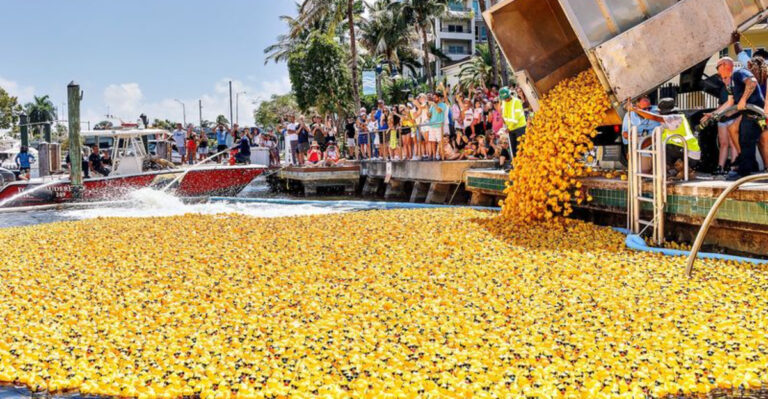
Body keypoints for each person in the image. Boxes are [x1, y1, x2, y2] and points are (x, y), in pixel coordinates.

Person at [709, 56, 765, 179]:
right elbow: (730, 102)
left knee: (746, 139)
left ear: (724, 65)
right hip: (746, 112)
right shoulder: (730, 83)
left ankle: (745, 171)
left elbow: (752, 82)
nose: (719, 75)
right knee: (736, 132)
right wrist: (715, 114)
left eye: (718, 69)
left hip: (754, 111)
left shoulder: (739, 73)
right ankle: (747, 165)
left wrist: (744, 99)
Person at [628, 98, 701, 176]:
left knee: (663, 147)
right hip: (683, 151)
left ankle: (681, 169)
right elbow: (653, 139)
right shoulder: (666, 125)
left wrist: (635, 110)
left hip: (690, 154)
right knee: (654, 148)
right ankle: (676, 170)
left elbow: (654, 117)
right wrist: (635, 149)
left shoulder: (677, 118)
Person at [500, 87, 527, 156]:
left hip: (520, 127)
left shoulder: (517, 101)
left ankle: (522, 164)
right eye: (504, 99)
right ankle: (516, 165)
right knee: (513, 149)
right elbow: (504, 114)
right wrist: (505, 123)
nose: (506, 100)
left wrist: (509, 128)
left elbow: (516, 118)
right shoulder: (504, 102)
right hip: (510, 129)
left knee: (521, 148)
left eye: (507, 98)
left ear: (510, 95)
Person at [428, 92, 448, 160]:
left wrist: (434, 105)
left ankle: (441, 156)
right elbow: (429, 116)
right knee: (433, 141)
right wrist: (427, 112)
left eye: (435, 98)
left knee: (440, 141)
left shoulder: (443, 105)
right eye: (433, 98)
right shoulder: (432, 105)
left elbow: (439, 111)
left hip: (439, 125)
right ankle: (434, 156)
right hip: (431, 125)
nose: (433, 99)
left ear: (439, 98)